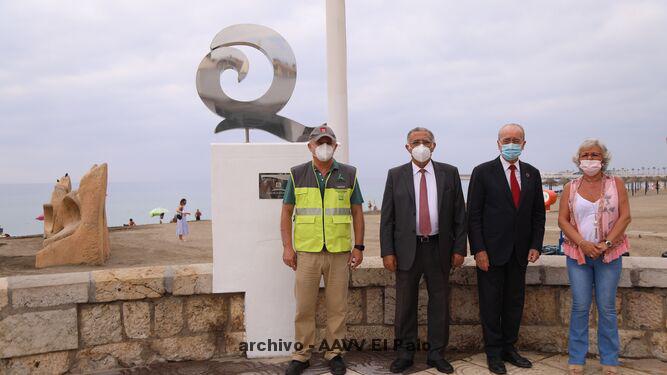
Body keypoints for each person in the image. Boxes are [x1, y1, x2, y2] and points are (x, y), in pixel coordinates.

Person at [380, 127, 467, 374]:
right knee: (405, 305)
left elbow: (460, 214)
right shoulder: (395, 175)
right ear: (407, 147)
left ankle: (436, 354)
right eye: (416, 142)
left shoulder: (449, 173)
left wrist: (460, 248)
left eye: (425, 141)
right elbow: (387, 217)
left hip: (439, 248)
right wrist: (388, 251)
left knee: (439, 304)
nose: (421, 145)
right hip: (407, 249)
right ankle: (405, 354)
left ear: (434, 145)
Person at [280, 125, 365, 375]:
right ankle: (301, 355)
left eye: (328, 142)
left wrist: (358, 247)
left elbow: (357, 212)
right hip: (307, 253)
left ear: (335, 146)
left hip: (339, 252)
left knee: (337, 307)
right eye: (320, 143)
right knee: (304, 307)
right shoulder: (297, 174)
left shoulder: (349, 174)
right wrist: (288, 247)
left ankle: (335, 353)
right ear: (311, 146)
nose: (324, 147)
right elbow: (286, 212)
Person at [467, 123, 546, 374]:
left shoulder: (532, 173)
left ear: (524, 144)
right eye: (506, 139)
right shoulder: (482, 172)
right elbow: (474, 216)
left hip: (520, 253)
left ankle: (510, 348)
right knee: (490, 304)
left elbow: (537, 215)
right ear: (498, 143)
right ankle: (493, 353)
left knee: (514, 302)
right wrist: (478, 249)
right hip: (490, 253)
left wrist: (536, 244)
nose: (511, 144)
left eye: (516, 139)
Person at [558, 139, 631, 375]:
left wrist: (606, 244)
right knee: (580, 306)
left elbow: (625, 217)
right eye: (586, 154)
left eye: (595, 155)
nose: (590, 158)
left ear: (603, 159)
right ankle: (576, 357)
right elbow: (562, 220)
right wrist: (582, 243)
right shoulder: (571, 187)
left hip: (609, 255)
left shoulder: (616, 183)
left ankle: (609, 358)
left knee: (607, 307)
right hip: (577, 254)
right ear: (579, 159)